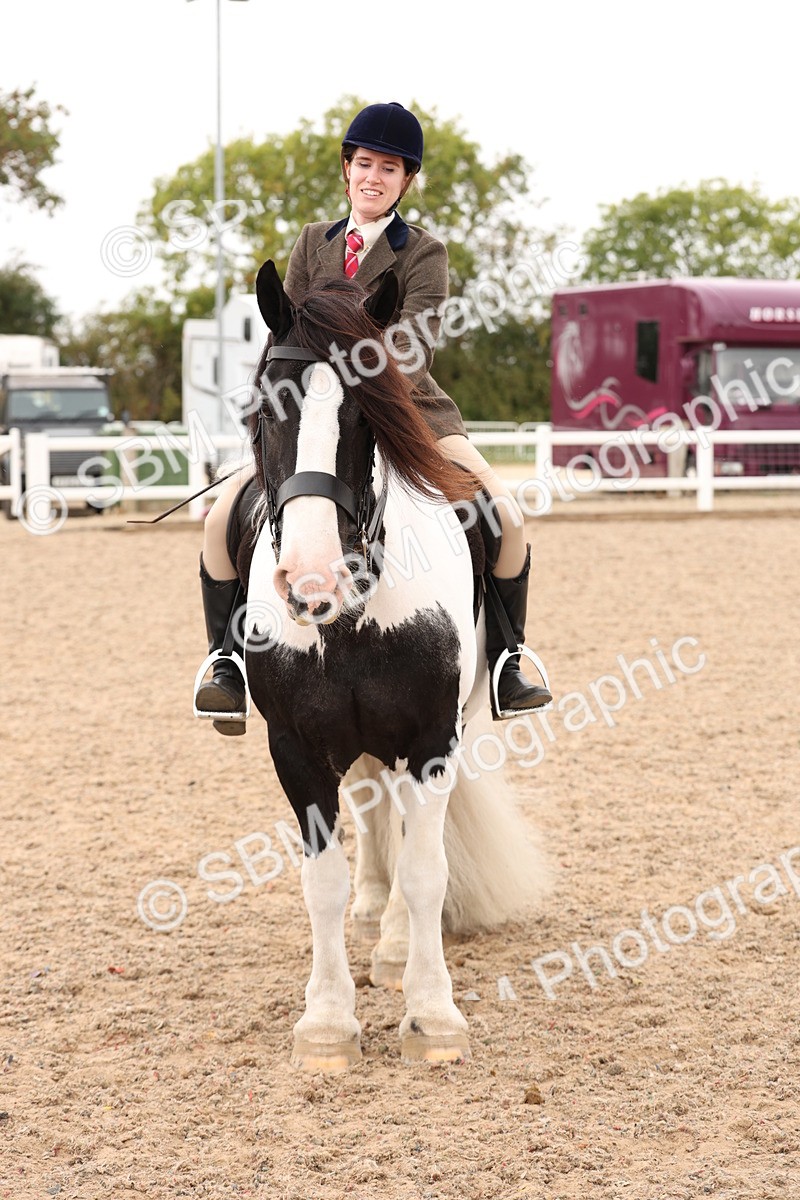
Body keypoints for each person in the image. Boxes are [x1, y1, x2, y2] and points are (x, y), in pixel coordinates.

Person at [195, 101, 552, 735]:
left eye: (389, 168)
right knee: (222, 517)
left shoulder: (424, 253)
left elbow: (413, 348)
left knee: (507, 516)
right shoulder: (312, 242)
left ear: (405, 180)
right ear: (347, 169)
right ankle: (225, 660)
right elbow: (291, 334)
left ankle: (508, 659)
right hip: (310, 418)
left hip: (411, 412)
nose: (374, 177)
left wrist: (355, 384)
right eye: (365, 164)